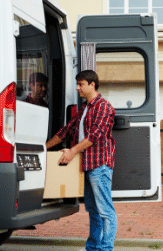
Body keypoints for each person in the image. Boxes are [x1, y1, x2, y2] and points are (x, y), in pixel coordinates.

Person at [45, 70, 118, 251]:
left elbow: (94, 136)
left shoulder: (104, 107)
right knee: (93, 211)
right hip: (86, 165)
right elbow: (66, 130)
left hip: (99, 165)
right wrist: (43, 148)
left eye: (81, 84)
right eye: (77, 84)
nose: (77, 88)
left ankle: (106, 248)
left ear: (92, 84)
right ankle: (93, 247)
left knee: (105, 211)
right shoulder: (85, 108)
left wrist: (72, 152)